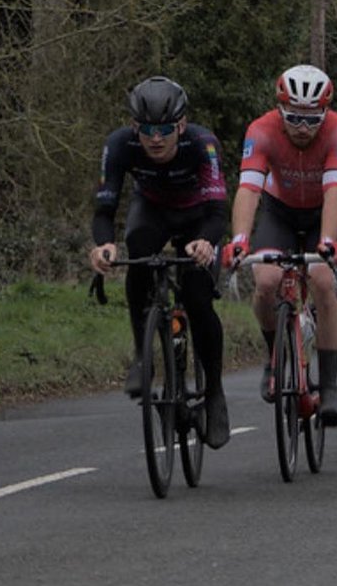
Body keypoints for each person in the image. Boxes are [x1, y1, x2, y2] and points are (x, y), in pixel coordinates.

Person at [89, 75, 231, 448]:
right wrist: (104, 246)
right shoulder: (119, 145)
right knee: (138, 254)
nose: (155, 138)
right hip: (152, 210)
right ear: (135, 126)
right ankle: (143, 356)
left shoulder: (203, 144)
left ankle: (214, 393)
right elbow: (104, 208)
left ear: (180, 125)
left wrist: (206, 241)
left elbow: (218, 212)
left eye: (165, 129)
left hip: (199, 217)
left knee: (199, 300)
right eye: (147, 129)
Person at [224, 65, 337, 427]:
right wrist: (239, 241)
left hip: (320, 215)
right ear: (280, 109)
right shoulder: (261, 130)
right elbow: (249, 189)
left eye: (313, 119)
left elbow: (335, 190)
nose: (303, 127)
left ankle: (329, 387)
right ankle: (273, 357)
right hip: (279, 215)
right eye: (294, 117)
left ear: (325, 113)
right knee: (265, 283)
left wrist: (328, 241)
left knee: (324, 283)